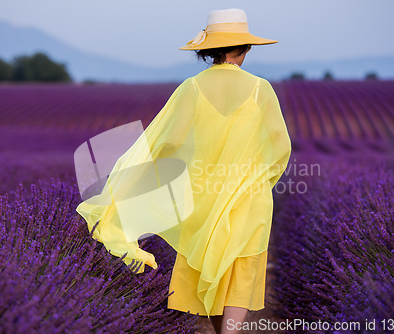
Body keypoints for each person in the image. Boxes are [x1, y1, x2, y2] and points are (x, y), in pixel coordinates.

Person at [76, 7, 291, 334]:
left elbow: (167, 142)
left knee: (210, 269)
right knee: (239, 270)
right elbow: (280, 149)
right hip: (250, 198)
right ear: (245, 49)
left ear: (207, 50)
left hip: (201, 197)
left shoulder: (191, 88)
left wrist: (147, 183)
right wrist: (259, 183)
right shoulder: (261, 89)